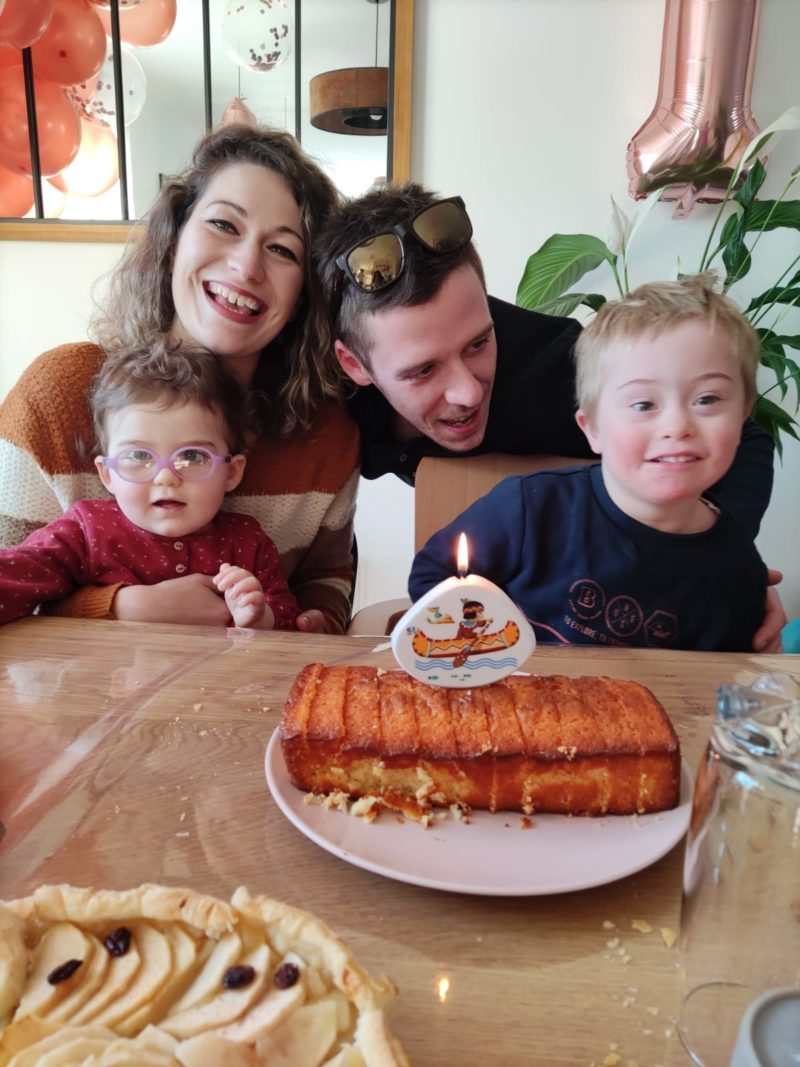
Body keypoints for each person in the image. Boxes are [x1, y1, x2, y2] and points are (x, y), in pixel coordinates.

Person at [314, 181, 785, 650]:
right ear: (354, 366)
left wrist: (721, 567)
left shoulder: (558, 368)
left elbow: (748, 440)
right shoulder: (323, 406)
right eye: (422, 371)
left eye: (479, 343)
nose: (466, 392)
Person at [0, 123, 359, 634]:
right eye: (224, 225)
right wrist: (122, 607)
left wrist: (305, 623)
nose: (246, 265)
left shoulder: (328, 440)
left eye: (282, 250)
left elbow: (327, 583)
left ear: (305, 293)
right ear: (174, 242)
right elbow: (13, 590)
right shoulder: (55, 396)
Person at [409, 275, 768, 652]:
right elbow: (432, 576)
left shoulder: (737, 570)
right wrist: (489, 650)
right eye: (644, 404)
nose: (678, 426)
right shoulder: (529, 507)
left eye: (707, 399)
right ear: (592, 429)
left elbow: (714, 692)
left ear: (742, 416)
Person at [0, 346, 301, 629]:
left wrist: (260, 617)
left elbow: (291, 618)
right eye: (139, 456)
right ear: (107, 475)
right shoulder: (86, 531)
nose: (166, 477)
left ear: (232, 472)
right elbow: (19, 575)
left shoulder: (247, 542)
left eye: (193, 456)